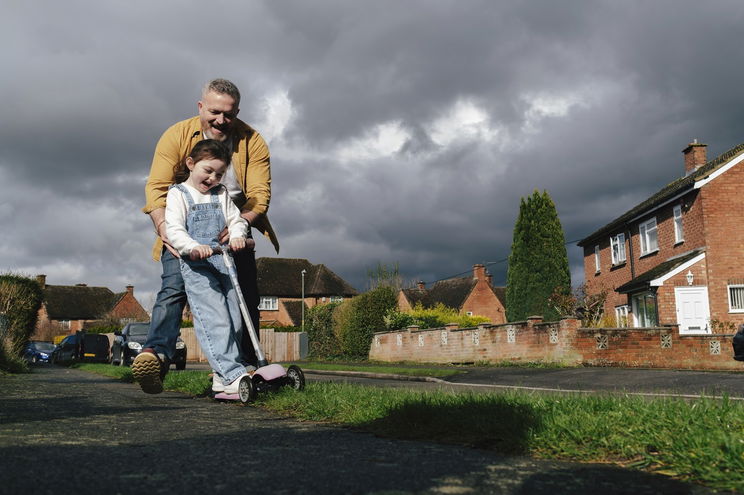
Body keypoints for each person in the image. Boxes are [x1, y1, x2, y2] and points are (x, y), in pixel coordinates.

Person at [134, 78, 279, 394]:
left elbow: (259, 194)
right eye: (214, 112)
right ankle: (157, 354)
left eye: (229, 114)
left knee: (243, 298)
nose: (221, 120)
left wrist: (240, 225)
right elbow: (157, 187)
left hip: (233, 223)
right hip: (183, 227)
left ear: (237, 112)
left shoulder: (252, 141)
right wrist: (167, 231)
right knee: (174, 288)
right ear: (201, 107)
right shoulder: (176, 136)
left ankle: (241, 367)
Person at [165, 139, 251, 393]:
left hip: (224, 262)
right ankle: (232, 374)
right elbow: (175, 229)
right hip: (197, 266)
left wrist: (237, 236)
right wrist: (192, 246)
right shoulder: (178, 193)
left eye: (219, 173)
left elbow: (236, 220)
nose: (213, 178)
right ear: (191, 164)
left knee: (235, 319)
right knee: (215, 319)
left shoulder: (221, 193)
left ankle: (220, 376)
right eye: (208, 170)